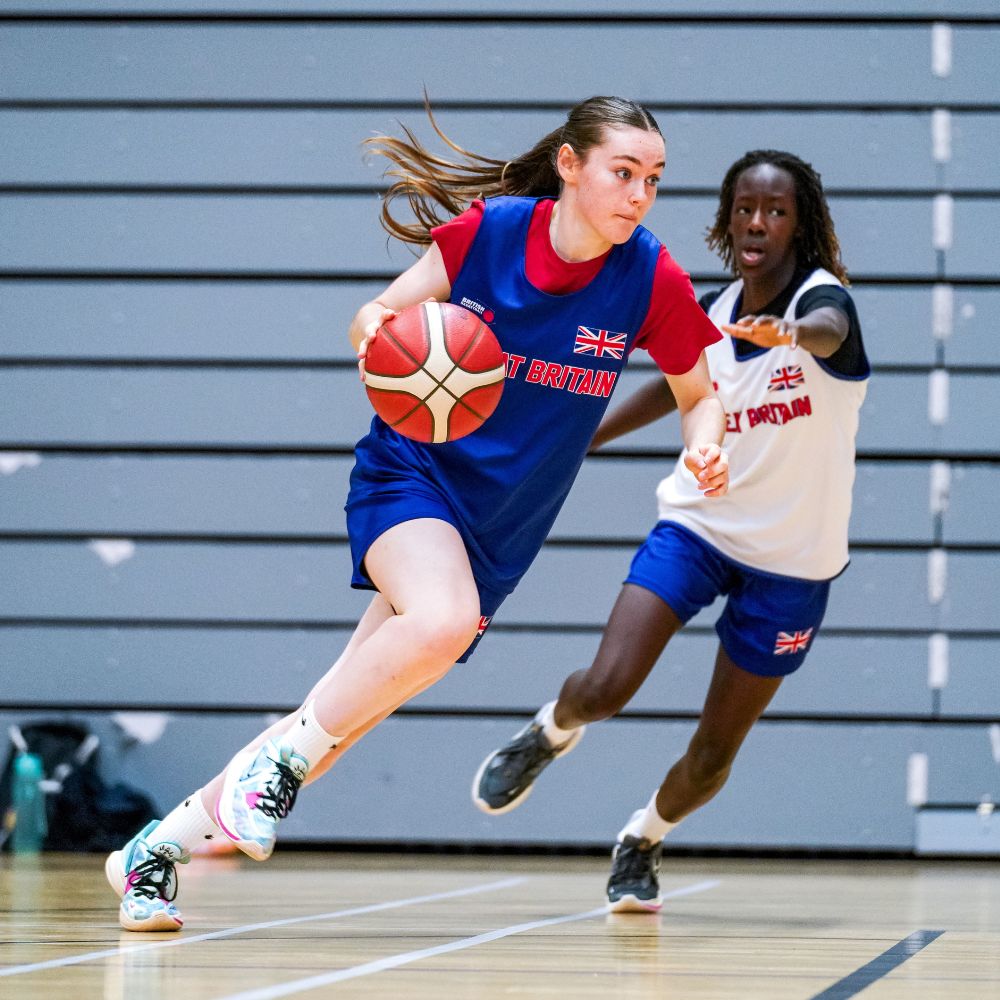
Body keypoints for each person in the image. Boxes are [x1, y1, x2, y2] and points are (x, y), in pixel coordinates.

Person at [104, 96, 730, 931]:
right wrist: (377, 337)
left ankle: (151, 854)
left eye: (652, 179)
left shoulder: (647, 275)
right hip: (412, 479)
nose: (639, 194)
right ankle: (270, 773)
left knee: (336, 720)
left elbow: (700, 392)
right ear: (572, 166)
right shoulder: (496, 231)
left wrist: (708, 445)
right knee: (432, 627)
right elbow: (377, 311)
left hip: (499, 529)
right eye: (624, 173)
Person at [472, 149, 870, 913]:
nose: (759, 222)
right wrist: (585, 432)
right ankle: (549, 730)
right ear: (727, 219)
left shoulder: (826, 305)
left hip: (794, 563)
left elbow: (826, 330)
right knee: (607, 687)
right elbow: (678, 383)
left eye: (777, 211)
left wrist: (789, 336)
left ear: (800, 225)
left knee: (714, 756)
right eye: (746, 208)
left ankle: (643, 837)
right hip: (698, 526)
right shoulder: (714, 313)